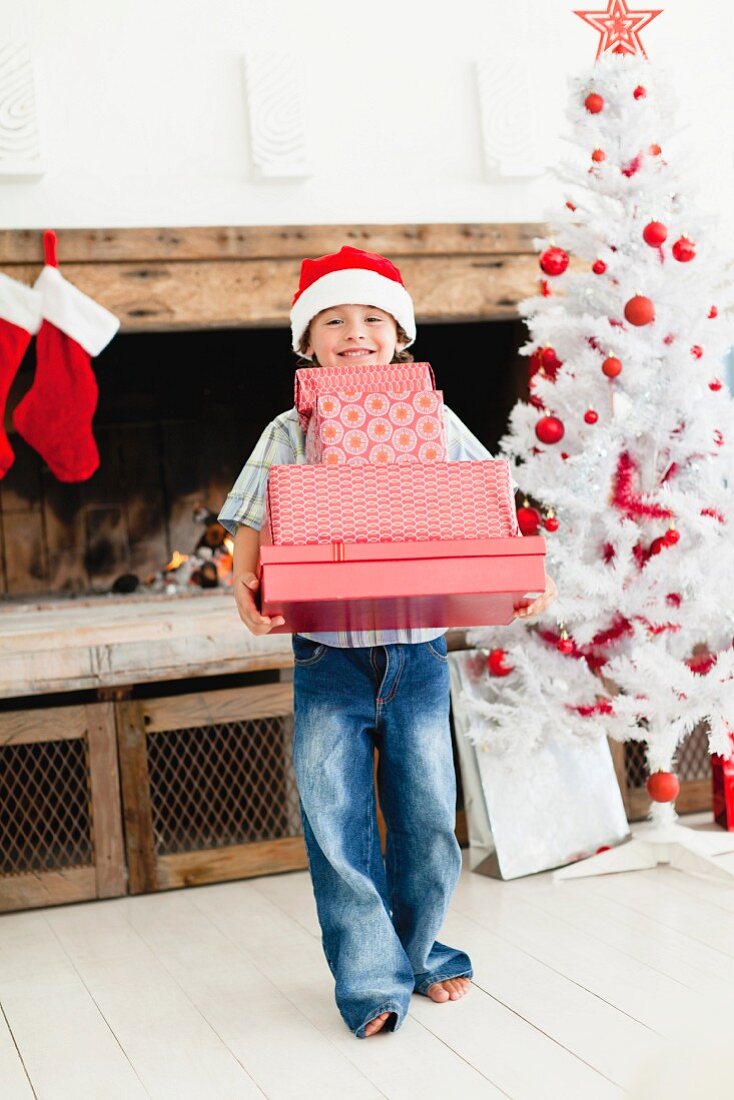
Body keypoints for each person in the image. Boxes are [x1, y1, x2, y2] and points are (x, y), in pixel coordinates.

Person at [218, 245, 556, 1039]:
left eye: (373, 318)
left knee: (430, 819)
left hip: (417, 653)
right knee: (337, 825)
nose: (355, 332)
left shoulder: (432, 418)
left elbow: (487, 500)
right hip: (327, 658)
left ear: (400, 336)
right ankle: (372, 980)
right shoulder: (289, 426)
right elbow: (252, 522)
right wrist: (244, 589)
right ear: (308, 343)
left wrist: (523, 571)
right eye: (333, 320)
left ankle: (423, 950)